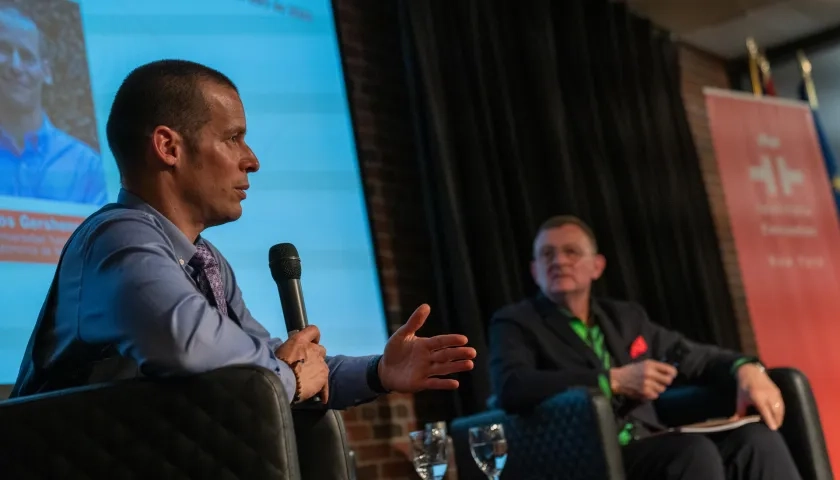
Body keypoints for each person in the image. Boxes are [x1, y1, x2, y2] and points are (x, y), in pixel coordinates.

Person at [10, 59, 476, 409]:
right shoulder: (117, 236)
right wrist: (289, 374)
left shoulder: (203, 258)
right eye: (233, 137)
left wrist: (379, 371)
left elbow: (265, 356)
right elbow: (193, 345)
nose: (251, 159)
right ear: (169, 147)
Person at [487, 215, 801, 480]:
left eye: (571, 252)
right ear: (534, 270)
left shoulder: (625, 317)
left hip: (651, 440)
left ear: (596, 266)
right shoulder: (516, 322)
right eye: (547, 254)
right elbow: (513, 386)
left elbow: (695, 356)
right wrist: (613, 381)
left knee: (756, 441)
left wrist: (746, 368)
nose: (558, 261)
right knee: (690, 452)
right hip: (586, 456)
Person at [0, 6, 107, 205]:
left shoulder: (86, 167)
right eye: (4, 50)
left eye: (27, 56)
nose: (15, 66)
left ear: (46, 71)